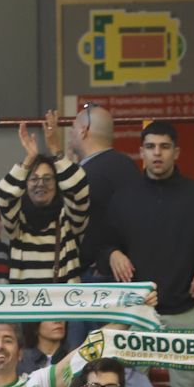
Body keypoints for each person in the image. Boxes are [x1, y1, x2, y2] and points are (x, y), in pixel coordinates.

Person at [97, 121, 194, 387]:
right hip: (135, 313)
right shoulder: (123, 197)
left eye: (164, 147)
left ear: (176, 152)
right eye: (150, 147)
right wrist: (112, 254)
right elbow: (101, 246)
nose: (157, 153)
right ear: (141, 152)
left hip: (186, 312)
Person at [0, 110, 91, 284]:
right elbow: (3, 195)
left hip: (63, 307)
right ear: (25, 183)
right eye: (34, 179)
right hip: (26, 308)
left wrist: (56, 151)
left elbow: (79, 188)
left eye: (47, 179)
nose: (40, 184)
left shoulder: (69, 220)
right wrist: (28, 161)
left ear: (57, 183)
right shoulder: (17, 222)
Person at [68, 103, 139, 280]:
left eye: (73, 128)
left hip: (94, 273)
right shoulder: (129, 167)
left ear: (83, 131)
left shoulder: (82, 176)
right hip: (127, 267)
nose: (70, 133)